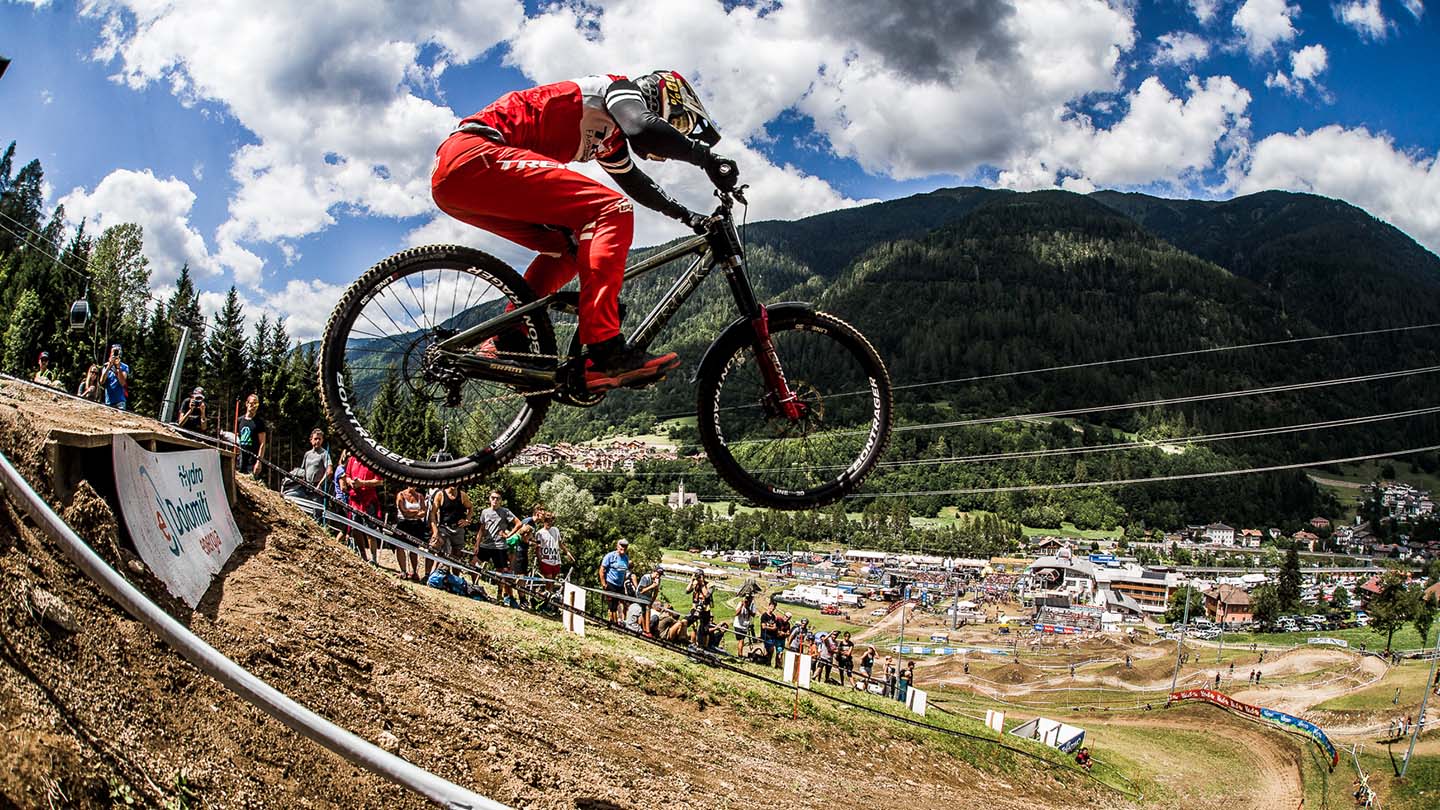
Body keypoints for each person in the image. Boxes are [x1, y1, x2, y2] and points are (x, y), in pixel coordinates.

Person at [430, 70, 737, 391]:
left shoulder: (611, 141)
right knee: (611, 210)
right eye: (679, 122)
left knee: (568, 249)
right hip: (475, 154)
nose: (677, 132)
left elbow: (639, 185)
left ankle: (507, 341)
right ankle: (605, 349)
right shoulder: (618, 88)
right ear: (663, 96)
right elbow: (643, 127)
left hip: (459, 181)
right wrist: (706, 158)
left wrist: (689, 217)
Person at [476, 490, 522, 606]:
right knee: (473, 564)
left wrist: (509, 534)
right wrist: (477, 544)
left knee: (500, 573)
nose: (495, 500)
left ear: (501, 501)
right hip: (486, 545)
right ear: (489, 499)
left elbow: (519, 523)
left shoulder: (505, 512)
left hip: (500, 546)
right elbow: (481, 529)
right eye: (493, 498)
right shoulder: (485, 512)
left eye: (497, 498)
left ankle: (500, 595)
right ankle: (475, 587)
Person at [343, 452, 384, 564]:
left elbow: (379, 481)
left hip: (368, 500)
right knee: (355, 528)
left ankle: (374, 558)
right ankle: (362, 554)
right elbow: (346, 475)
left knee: (370, 529)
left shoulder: (372, 461)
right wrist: (350, 481)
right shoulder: (352, 459)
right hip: (355, 499)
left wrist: (363, 483)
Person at [429, 483, 472, 583]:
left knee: (457, 555)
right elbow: (433, 513)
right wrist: (435, 531)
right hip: (444, 527)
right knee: (443, 553)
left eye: (457, 483)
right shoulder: (440, 495)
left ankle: (455, 580)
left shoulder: (462, 495)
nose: (455, 485)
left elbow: (470, 508)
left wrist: (467, 520)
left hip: (458, 528)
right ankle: (436, 576)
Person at [394, 484, 427, 582]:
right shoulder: (401, 495)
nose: (413, 486)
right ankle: (403, 570)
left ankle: (414, 571)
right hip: (403, 523)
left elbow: (424, 512)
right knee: (400, 546)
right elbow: (403, 511)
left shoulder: (420, 496)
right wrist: (417, 512)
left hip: (416, 525)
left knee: (414, 548)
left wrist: (411, 512)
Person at [599, 537, 634, 624]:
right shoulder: (610, 556)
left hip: (620, 585)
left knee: (624, 603)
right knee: (612, 606)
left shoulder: (626, 558)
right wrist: (604, 584)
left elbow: (625, 572)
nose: (623, 548)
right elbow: (602, 570)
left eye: (625, 546)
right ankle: (612, 623)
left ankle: (621, 621)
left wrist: (624, 582)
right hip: (611, 583)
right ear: (617, 546)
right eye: (621, 546)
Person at [534, 508, 572, 581]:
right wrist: (540, 561)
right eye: (547, 521)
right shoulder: (540, 533)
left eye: (551, 521)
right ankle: (547, 591)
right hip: (545, 560)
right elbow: (537, 548)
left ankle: (548, 592)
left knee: (553, 581)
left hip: (555, 560)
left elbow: (560, 544)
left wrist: (567, 552)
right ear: (544, 521)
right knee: (549, 580)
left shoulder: (556, 530)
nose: (549, 523)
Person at [235, 393, 268, 478]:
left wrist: (259, 461)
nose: (253, 406)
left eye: (256, 404)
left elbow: (262, 444)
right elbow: (236, 438)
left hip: (252, 461)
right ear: (247, 404)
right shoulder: (239, 420)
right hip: (240, 459)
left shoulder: (259, 423)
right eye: (252, 403)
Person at [101, 344, 129, 410]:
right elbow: (102, 381)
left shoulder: (124, 367)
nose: (115, 354)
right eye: (114, 352)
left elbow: (122, 383)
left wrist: (118, 368)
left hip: (120, 402)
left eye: (117, 352)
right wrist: (109, 366)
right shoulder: (106, 366)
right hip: (108, 401)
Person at [733, 592, 756, 658]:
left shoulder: (752, 605)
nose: (748, 600)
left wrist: (748, 608)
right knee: (741, 640)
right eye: (747, 598)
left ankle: (739, 653)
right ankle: (740, 655)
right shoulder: (741, 603)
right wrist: (742, 605)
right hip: (738, 624)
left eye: (750, 598)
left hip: (745, 625)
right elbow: (736, 613)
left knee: (742, 640)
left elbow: (753, 614)